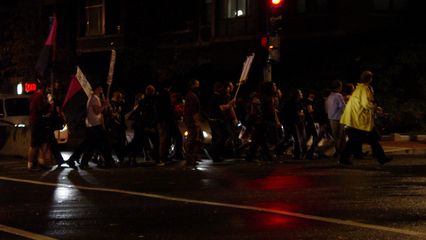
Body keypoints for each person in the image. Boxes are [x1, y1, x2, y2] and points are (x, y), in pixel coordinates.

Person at [339, 70, 392, 165]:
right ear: (370, 79)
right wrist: (375, 106)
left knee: (356, 140)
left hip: (355, 119)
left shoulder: (359, 88)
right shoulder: (365, 89)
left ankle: (344, 158)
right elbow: (366, 104)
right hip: (360, 120)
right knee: (370, 139)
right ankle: (381, 158)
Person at [78, 83, 115, 169]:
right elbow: (97, 111)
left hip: (94, 124)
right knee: (103, 143)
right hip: (95, 125)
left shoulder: (95, 98)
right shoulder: (94, 98)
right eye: (100, 88)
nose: (101, 90)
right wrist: (105, 105)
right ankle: (107, 161)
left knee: (94, 144)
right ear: (97, 89)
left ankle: (86, 162)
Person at [27, 81, 51, 171]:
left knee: (42, 142)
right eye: (47, 89)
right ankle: (30, 165)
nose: (48, 91)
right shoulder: (39, 96)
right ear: (43, 88)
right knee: (34, 145)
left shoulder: (34, 96)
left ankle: (41, 162)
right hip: (36, 123)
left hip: (37, 122)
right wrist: (49, 103)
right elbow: (41, 110)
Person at [183, 79, 203, 168]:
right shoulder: (192, 96)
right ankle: (190, 159)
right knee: (192, 139)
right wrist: (197, 121)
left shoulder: (191, 95)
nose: (198, 86)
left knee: (195, 139)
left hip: (191, 120)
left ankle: (193, 158)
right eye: (197, 84)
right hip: (192, 121)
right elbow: (193, 110)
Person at [325, 80, 346, 158]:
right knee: (341, 136)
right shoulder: (338, 96)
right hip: (338, 118)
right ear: (339, 87)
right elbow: (343, 107)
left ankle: (338, 152)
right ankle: (341, 153)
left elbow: (327, 109)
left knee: (336, 136)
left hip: (331, 118)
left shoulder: (329, 96)